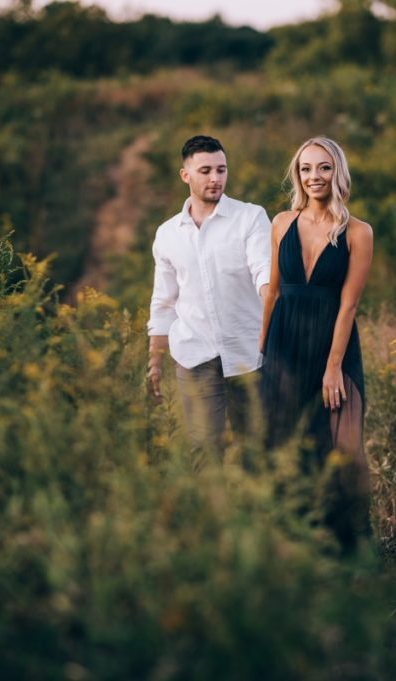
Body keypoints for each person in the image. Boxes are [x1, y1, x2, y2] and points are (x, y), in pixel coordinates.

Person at [260, 137, 373, 548]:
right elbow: (271, 294)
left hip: (333, 347)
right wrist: (259, 355)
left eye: (323, 167)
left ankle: (352, 549)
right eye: (306, 168)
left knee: (344, 449)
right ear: (298, 174)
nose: (314, 177)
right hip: (283, 346)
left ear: (337, 172)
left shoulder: (358, 232)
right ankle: (292, 545)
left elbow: (349, 305)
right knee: (282, 444)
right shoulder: (281, 224)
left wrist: (333, 366)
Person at [147, 135, 271, 460]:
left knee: (255, 449)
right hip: (195, 356)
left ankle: (255, 511)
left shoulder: (251, 217)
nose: (215, 178)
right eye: (205, 171)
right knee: (204, 450)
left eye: (221, 169)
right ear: (185, 175)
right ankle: (211, 511)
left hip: (248, 353)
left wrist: (271, 298)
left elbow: (264, 270)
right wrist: (155, 359)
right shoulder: (167, 234)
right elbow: (164, 301)